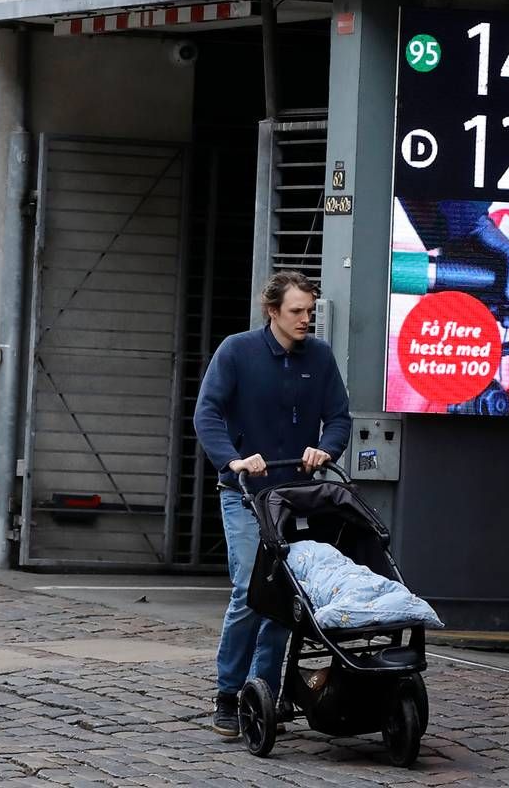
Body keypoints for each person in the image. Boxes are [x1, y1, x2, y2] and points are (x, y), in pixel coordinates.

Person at [193, 271, 351, 737]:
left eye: (309, 311)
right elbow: (208, 413)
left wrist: (327, 449)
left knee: (285, 596)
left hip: (294, 496)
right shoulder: (237, 351)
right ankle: (228, 691)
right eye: (296, 311)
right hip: (244, 496)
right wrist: (234, 460)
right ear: (272, 311)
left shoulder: (318, 358)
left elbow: (339, 417)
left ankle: (260, 694)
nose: (306, 319)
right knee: (249, 592)